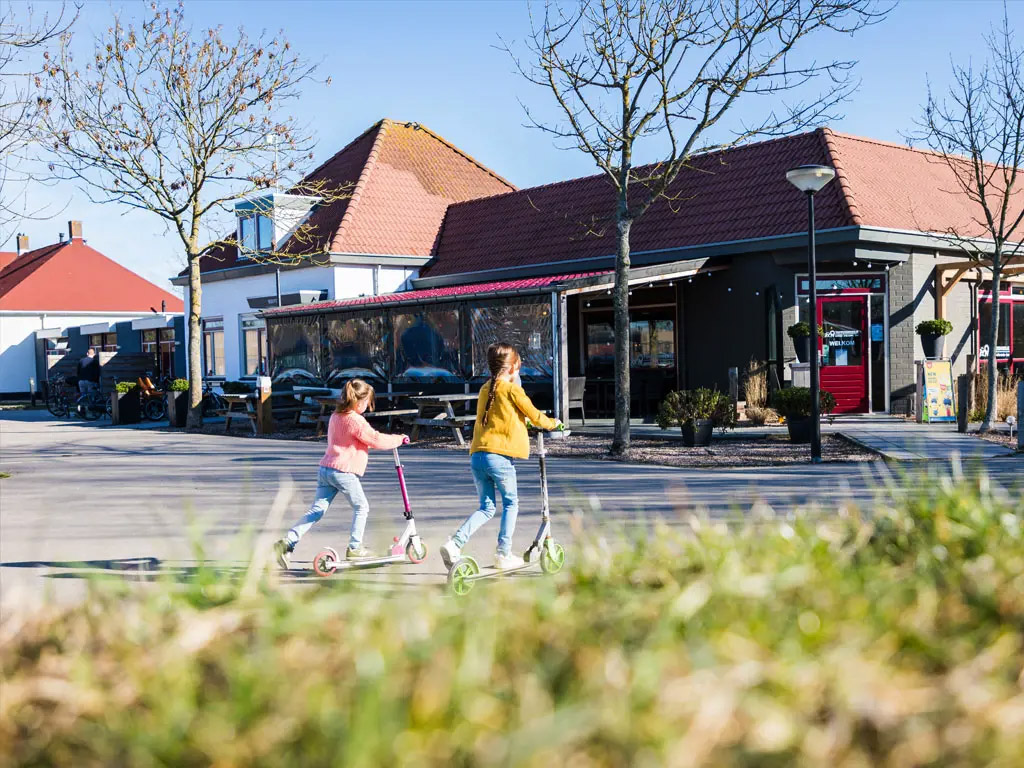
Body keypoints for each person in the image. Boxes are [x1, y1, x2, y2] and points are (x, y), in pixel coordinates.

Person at [439, 342, 562, 571]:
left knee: (486, 507)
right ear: (515, 366)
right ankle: (503, 553)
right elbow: (535, 416)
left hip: (478, 455)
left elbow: (499, 415)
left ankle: (455, 543)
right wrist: (553, 423)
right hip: (499, 457)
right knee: (510, 503)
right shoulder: (513, 389)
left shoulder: (486, 388)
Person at [274, 379, 408, 569]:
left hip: (326, 469)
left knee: (316, 511)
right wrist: (399, 439)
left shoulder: (336, 416)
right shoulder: (355, 420)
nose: (367, 407)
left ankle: (287, 542)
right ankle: (355, 548)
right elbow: (375, 439)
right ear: (359, 402)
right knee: (362, 507)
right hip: (343, 472)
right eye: (367, 403)